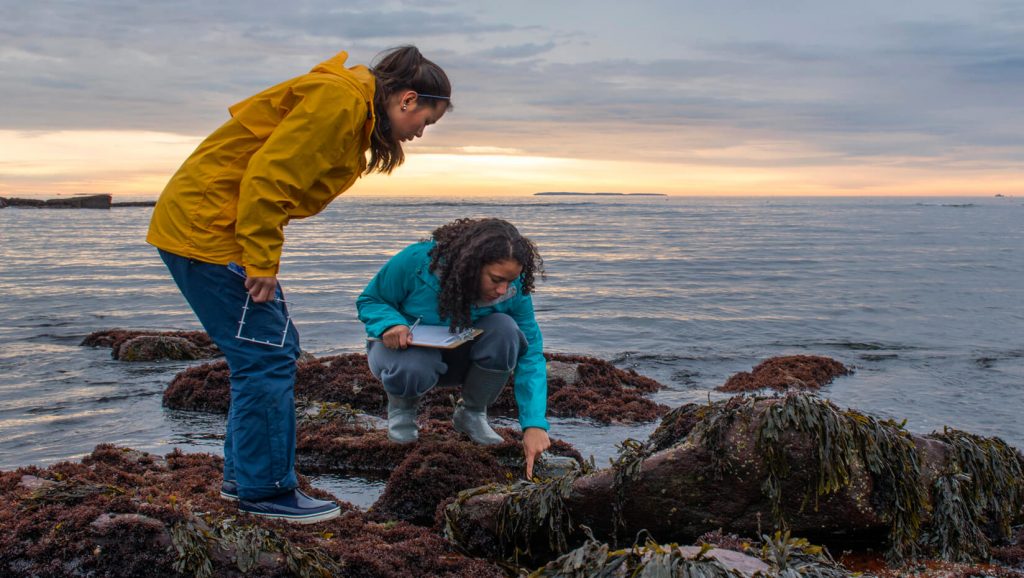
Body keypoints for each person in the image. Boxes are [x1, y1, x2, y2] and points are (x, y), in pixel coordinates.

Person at [146, 46, 451, 524]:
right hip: (207, 230)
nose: (418, 133)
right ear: (408, 99)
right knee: (267, 354)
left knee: (266, 350)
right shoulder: (340, 102)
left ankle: (242, 480)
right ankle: (266, 492)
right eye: (426, 122)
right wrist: (262, 260)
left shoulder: (351, 105)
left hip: (208, 226)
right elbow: (268, 179)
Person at [357, 218, 552, 478]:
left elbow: (531, 355)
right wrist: (389, 324)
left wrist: (535, 424)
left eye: (511, 281)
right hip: (404, 354)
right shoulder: (417, 262)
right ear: (471, 266)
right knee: (415, 366)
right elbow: (371, 299)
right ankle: (402, 412)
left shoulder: (511, 289)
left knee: (506, 331)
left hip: (460, 359)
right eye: (496, 279)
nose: (503, 289)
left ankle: (471, 414)